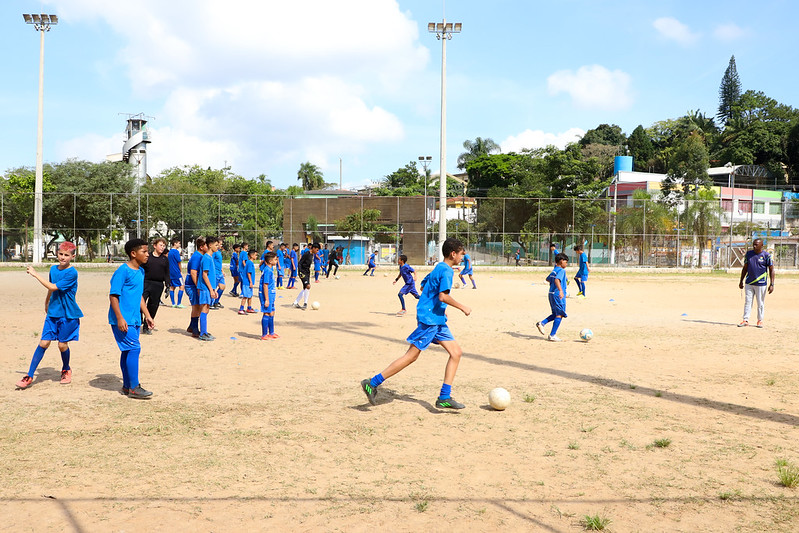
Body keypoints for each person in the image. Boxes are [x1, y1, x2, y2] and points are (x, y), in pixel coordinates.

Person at [360, 237, 472, 409]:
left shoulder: (439, 267)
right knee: (411, 356)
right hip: (430, 320)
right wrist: (462, 306)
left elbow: (423, 285)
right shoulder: (447, 271)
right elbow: (443, 295)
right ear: (453, 253)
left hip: (436, 319)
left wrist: (439, 306)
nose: (462, 257)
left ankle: (444, 397)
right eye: (461, 254)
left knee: (456, 353)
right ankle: (372, 383)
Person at [16, 242, 83, 389]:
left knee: (62, 345)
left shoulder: (72, 273)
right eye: (60, 254)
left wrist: (35, 275)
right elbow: (51, 288)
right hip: (53, 312)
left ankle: (66, 369)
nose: (63, 257)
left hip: (68, 314)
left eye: (66, 255)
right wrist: (47, 302)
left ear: (73, 256)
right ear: (57, 253)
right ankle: (29, 375)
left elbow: (53, 286)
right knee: (44, 343)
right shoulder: (53, 269)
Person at [108, 238, 155, 399]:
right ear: (133, 254)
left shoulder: (140, 271)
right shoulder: (123, 271)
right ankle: (134, 387)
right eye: (144, 251)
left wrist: (147, 315)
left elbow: (139, 296)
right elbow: (113, 296)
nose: (147, 254)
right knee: (134, 349)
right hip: (123, 319)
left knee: (128, 350)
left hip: (135, 319)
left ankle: (128, 386)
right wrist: (120, 318)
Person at [738, 238, 775, 328]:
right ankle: (745, 320)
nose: (754, 246)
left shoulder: (766, 255)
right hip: (749, 283)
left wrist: (772, 284)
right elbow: (745, 268)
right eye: (753, 244)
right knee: (748, 302)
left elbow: (771, 269)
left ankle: (760, 320)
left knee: (760, 303)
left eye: (756, 244)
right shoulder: (749, 254)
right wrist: (741, 281)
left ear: (761, 245)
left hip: (761, 284)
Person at [536, 252, 569, 342]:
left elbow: (548, 279)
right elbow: (557, 280)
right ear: (561, 261)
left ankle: (541, 323)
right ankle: (552, 335)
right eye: (566, 262)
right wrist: (561, 290)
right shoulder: (562, 271)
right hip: (558, 294)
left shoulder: (554, 270)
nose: (566, 264)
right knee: (560, 314)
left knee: (555, 314)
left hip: (551, 293)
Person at [141, 237, 169, 334]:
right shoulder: (147, 257)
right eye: (160, 245)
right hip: (146, 283)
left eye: (164, 246)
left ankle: (146, 325)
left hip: (158, 285)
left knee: (153, 306)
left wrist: (168, 286)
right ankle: (139, 319)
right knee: (141, 302)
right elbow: (141, 270)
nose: (162, 247)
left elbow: (167, 273)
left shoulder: (164, 259)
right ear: (154, 246)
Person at [196, 236, 219, 340]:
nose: (218, 247)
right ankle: (202, 334)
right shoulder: (206, 257)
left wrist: (214, 289)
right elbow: (204, 275)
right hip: (205, 288)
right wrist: (210, 289)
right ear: (210, 245)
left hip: (209, 288)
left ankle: (204, 331)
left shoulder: (210, 257)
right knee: (204, 308)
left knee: (207, 309)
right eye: (216, 245)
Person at [184, 238, 205, 338]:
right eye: (206, 245)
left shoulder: (200, 255)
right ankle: (195, 329)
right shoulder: (197, 256)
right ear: (201, 247)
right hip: (192, 285)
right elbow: (193, 272)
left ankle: (191, 326)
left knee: (197, 306)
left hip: (193, 285)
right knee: (196, 306)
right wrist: (198, 286)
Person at [293, 242, 319, 310]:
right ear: (313, 248)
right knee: (308, 286)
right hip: (302, 271)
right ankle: (305, 303)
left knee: (306, 288)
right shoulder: (307, 254)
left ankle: (296, 302)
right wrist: (300, 272)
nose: (317, 251)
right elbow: (300, 263)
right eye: (317, 249)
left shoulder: (312, 254)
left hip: (307, 272)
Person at [259, 252, 279, 340]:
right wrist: (266, 299)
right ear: (270, 261)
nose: (277, 260)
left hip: (271, 294)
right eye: (275, 259)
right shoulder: (267, 270)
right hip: (266, 295)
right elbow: (265, 285)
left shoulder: (270, 270)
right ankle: (264, 334)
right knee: (267, 312)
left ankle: (271, 332)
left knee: (272, 312)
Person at [167, 238, 186, 308]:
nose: (179, 244)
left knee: (172, 287)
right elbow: (179, 262)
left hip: (171, 272)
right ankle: (179, 303)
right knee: (182, 286)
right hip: (176, 272)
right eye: (178, 243)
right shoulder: (176, 252)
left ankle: (173, 303)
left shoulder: (170, 252)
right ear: (175, 243)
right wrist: (180, 271)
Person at [238, 249, 258, 314]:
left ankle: (249, 307)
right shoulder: (249, 263)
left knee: (250, 296)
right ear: (252, 255)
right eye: (255, 255)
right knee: (245, 296)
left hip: (249, 283)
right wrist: (251, 282)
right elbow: (248, 273)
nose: (256, 256)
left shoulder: (250, 263)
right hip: (247, 283)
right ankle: (241, 309)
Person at [211, 239, 225, 309]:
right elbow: (212, 261)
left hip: (219, 273)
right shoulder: (214, 252)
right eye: (220, 244)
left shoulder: (219, 252)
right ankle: (211, 303)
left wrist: (222, 270)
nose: (221, 245)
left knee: (222, 287)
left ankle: (216, 301)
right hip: (215, 273)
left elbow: (219, 262)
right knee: (213, 288)